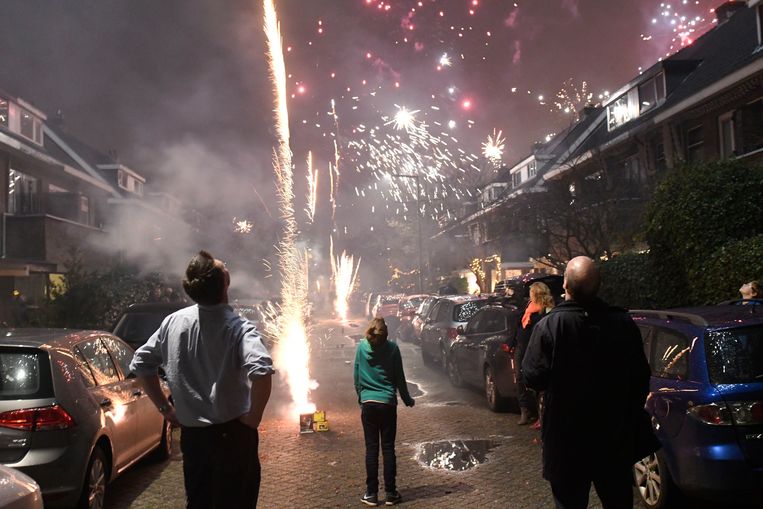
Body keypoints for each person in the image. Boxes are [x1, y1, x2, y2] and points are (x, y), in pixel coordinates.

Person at [130, 251, 274, 509]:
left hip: (194, 438)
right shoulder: (238, 328)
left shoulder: (173, 323)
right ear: (225, 283)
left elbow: (141, 364)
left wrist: (166, 409)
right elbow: (262, 371)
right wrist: (253, 418)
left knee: (200, 502)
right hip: (234, 436)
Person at [522, 256, 659, 509]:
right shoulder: (622, 323)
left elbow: (531, 376)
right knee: (618, 501)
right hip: (614, 440)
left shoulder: (549, 327)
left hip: (567, 442)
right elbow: (640, 375)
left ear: (565, 286)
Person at [354, 317, 415, 506]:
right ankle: (390, 493)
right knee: (388, 448)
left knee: (371, 449)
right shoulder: (392, 349)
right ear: (385, 333)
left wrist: (361, 397)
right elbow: (399, 378)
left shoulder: (361, 348)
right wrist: (407, 399)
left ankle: (371, 494)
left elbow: (356, 377)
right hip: (387, 404)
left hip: (369, 404)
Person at [511, 281, 555, 426]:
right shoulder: (527, 307)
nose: (528, 295)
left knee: (536, 380)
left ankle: (540, 414)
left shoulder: (546, 310)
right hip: (521, 347)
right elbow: (519, 326)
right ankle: (525, 410)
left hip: (534, 349)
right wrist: (512, 343)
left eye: (531, 292)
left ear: (536, 293)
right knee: (519, 378)